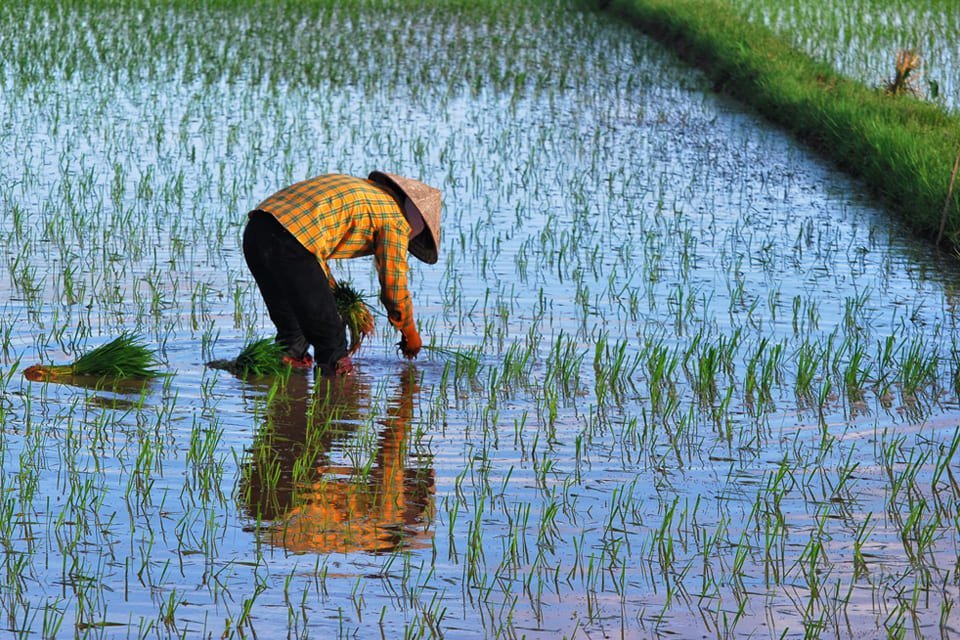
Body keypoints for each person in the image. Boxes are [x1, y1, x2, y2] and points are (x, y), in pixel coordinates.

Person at [242, 171, 442, 376]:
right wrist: (409, 333)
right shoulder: (395, 219)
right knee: (332, 341)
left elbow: (311, 254)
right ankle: (338, 391)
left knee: (294, 335)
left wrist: (337, 297)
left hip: (257, 231)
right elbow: (394, 286)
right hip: (290, 242)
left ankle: (285, 385)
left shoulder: (370, 193)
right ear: (420, 225)